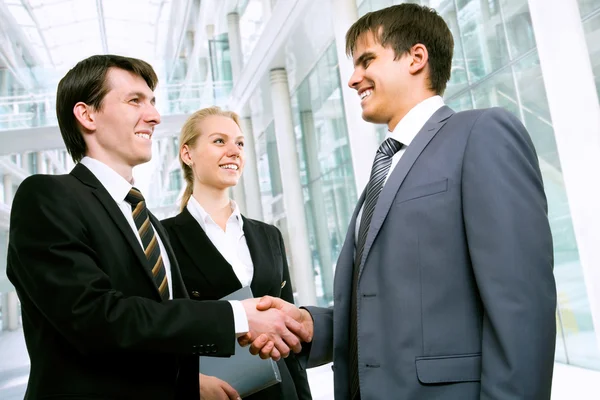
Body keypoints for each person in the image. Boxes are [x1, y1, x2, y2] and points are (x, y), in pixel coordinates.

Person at [250, 4, 557, 399]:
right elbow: (393, 304)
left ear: (416, 58)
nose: (353, 79)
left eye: (366, 60)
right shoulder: (386, 166)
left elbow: (521, 307)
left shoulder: (481, 134)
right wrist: (312, 327)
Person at [6, 54, 309, 400]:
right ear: (87, 114)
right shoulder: (46, 198)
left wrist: (188, 381)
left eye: (152, 102)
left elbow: (162, 329)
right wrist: (236, 316)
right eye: (135, 100)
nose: (154, 116)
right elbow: (94, 319)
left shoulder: (147, 222)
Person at [161, 106, 313, 400]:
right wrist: (189, 383)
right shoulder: (164, 238)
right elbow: (161, 329)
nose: (234, 151)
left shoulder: (269, 236)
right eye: (219, 141)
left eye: (240, 143)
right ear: (187, 154)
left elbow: (291, 335)